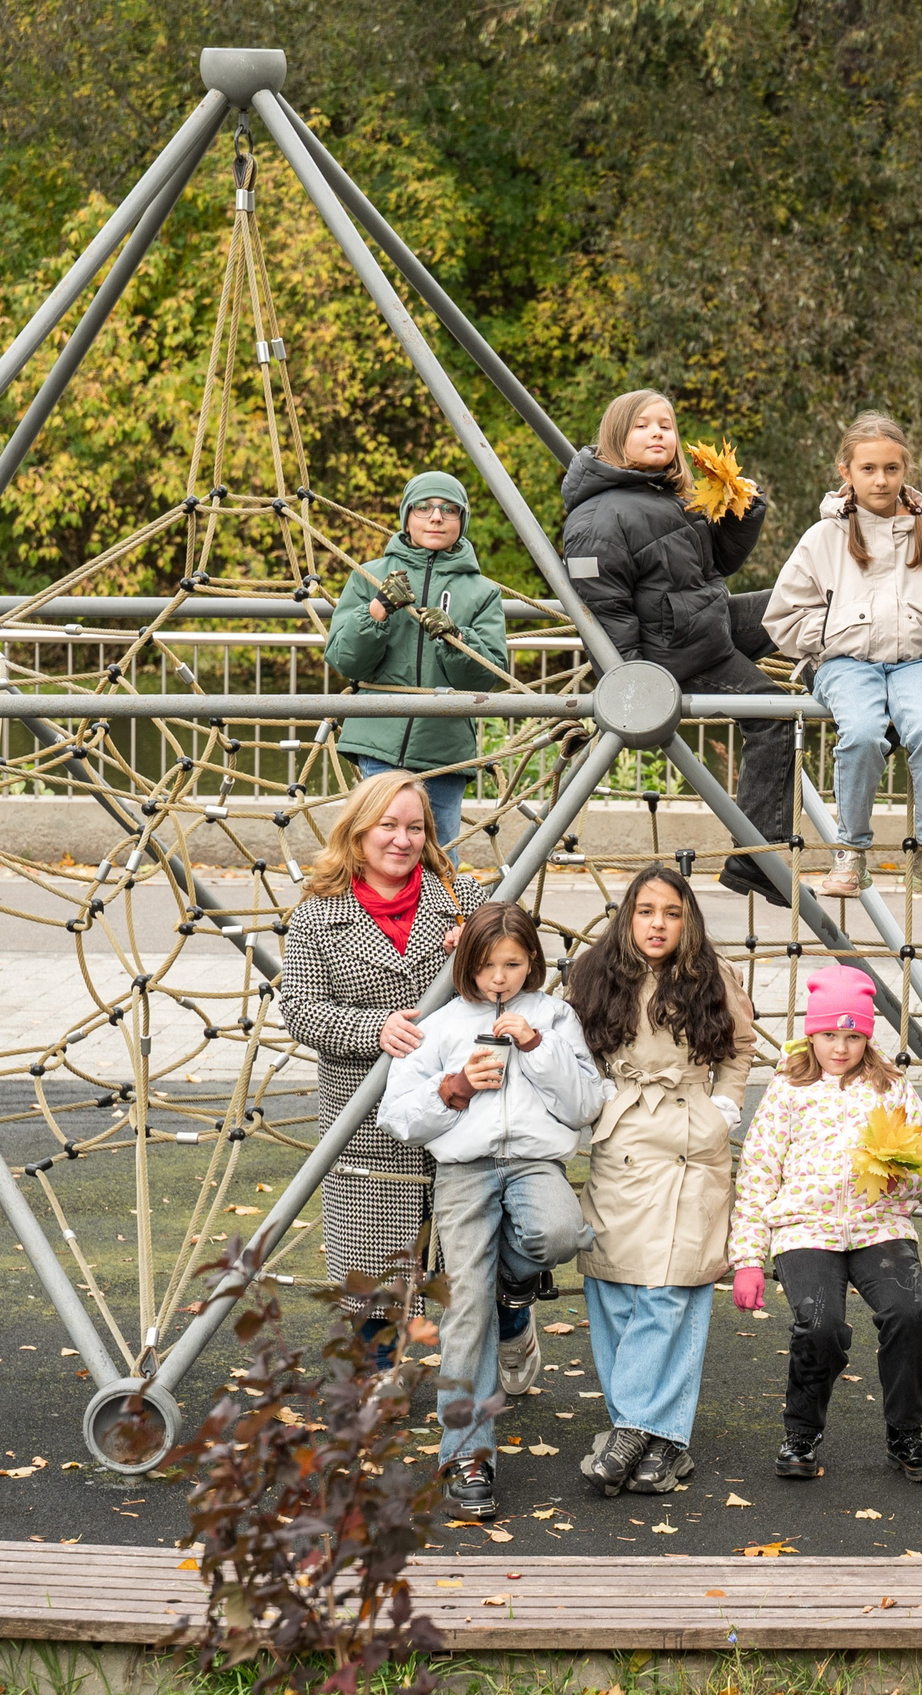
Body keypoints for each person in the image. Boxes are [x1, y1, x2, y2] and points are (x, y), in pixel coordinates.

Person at [382, 901, 607, 1520]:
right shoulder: (443, 1023)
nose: (499, 978)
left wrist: (536, 1048)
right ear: (466, 966)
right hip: (464, 1169)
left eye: (511, 963)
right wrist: (452, 1088)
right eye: (485, 966)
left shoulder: (555, 1015)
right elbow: (397, 1115)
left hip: (536, 1163)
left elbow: (586, 1102)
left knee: (561, 1233)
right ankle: (467, 1457)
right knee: (465, 1311)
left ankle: (516, 1284)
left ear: (531, 961)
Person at [563, 865, 759, 1496]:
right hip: (622, 1135)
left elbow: (739, 1047)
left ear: (687, 919)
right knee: (617, 1287)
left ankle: (631, 1432)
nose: (657, 924)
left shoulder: (712, 975)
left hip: (689, 1137)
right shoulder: (592, 973)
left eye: (671, 912)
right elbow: (572, 1049)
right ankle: (662, 1440)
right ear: (628, 915)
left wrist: (724, 1107)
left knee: (675, 1289)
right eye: (646, 910)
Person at [280, 769, 488, 1359]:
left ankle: (509, 1335)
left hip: (459, 1108)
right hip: (365, 1120)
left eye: (416, 827)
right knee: (371, 1260)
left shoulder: (460, 901)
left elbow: (524, 968)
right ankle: (378, 1368)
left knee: (469, 1256)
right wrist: (373, 1027)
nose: (402, 840)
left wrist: (480, 949)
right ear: (357, 833)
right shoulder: (321, 913)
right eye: (388, 826)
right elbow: (298, 1009)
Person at [560, 390, 791, 907]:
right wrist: (634, 687)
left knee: (800, 601)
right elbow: (606, 613)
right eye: (642, 426)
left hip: (704, 625)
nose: (658, 433)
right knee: (775, 717)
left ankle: (838, 682)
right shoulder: (598, 520)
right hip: (673, 658)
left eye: (665, 424)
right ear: (616, 438)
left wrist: (742, 508)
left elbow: (719, 567)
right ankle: (756, 861)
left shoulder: (671, 497)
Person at [729, 965, 922, 1485]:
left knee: (910, 1312)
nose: (841, 1047)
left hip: (879, 1226)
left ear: (867, 1037)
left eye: (853, 1036)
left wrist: (906, 1181)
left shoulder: (890, 1086)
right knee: (822, 1324)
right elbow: (758, 1174)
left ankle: (906, 1435)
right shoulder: (788, 1089)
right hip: (806, 1228)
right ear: (812, 1033)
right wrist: (747, 1259)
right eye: (830, 1034)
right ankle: (802, 1433)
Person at [763, 413, 922, 902]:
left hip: (917, 662)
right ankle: (851, 849)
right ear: (846, 472)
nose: (881, 479)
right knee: (862, 733)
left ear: (905, 470)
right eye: (869, 468)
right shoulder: (822, 538)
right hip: (845, 663)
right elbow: (782, 617)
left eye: (892, 469)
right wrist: (834, 635)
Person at [323, 471, 511, 851]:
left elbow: (489, 677)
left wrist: (457, 638)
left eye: (448, 509)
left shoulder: (482, 592)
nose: (436, 517)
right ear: (407, 516)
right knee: (377, 847)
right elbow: (344, 660)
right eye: (423, 507)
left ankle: (443, 912)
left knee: (439, 851)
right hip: (378, 740)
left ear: (463, 519)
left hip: (444, 745)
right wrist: (377, 610)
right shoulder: (368, 575)